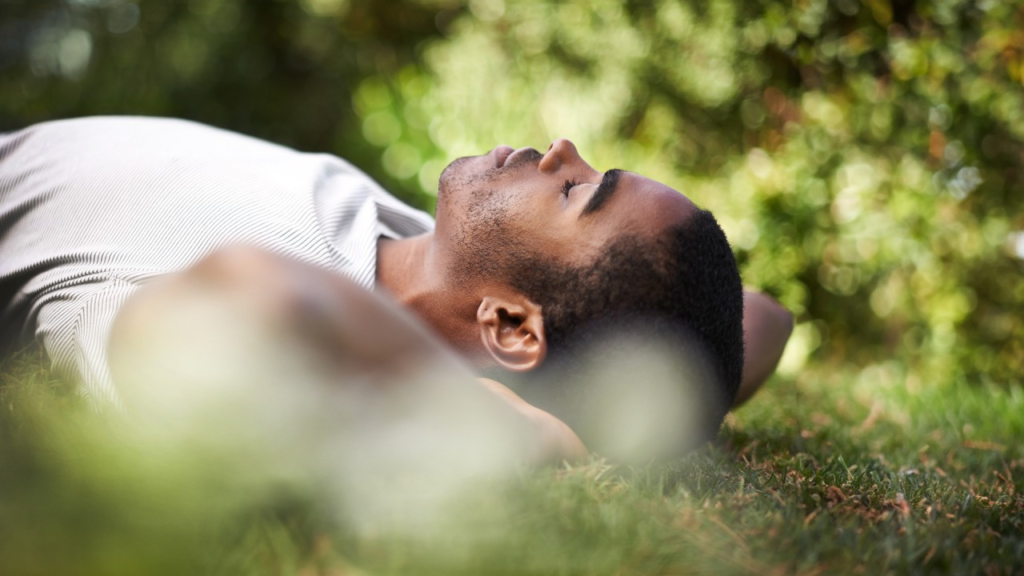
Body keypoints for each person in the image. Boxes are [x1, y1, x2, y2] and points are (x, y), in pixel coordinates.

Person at [0, 116, 792, 463]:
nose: (561, 149)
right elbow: (767, 319)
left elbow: (256, 295)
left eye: (576, 192)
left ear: (513, 327)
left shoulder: (271, 328)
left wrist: (507, 427)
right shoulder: (426, 257)